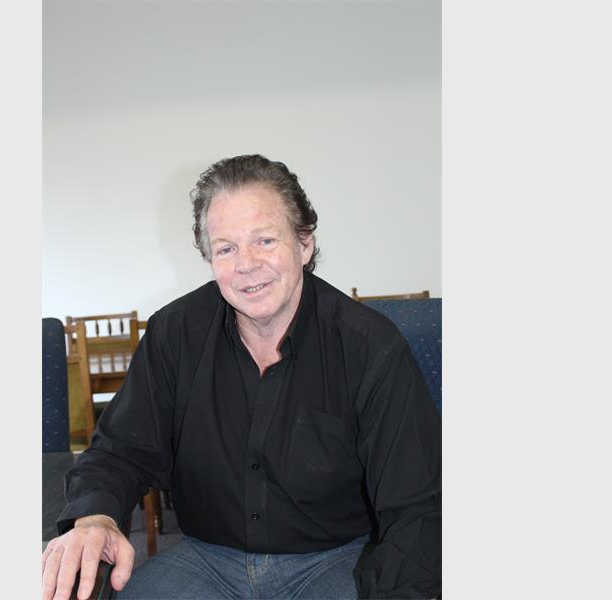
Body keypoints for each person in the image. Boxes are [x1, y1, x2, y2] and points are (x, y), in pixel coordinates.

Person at [42, 154, 441, 600]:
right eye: (226, 248)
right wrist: (95, 518)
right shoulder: (175, 333)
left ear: (304, 244)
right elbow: (119, 451)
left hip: (336, 560)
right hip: (206, 559)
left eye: (265, 240)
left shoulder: (370, 346)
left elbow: (417, 510)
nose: (246, 264)